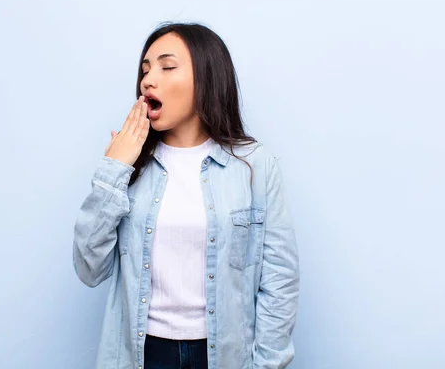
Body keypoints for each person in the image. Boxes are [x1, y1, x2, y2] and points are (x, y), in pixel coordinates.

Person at [73, 22, 299, 369]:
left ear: (206, 78)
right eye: (145, 70)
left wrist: (266, 365)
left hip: (223, 355)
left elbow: (280, 281)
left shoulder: (254, 165)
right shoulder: (129, 166)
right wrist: (113, 169)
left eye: (167, 66)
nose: (148, 79)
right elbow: (89, 269)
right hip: (144, 354)